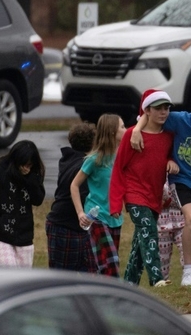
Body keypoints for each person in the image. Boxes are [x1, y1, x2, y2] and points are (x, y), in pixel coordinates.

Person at [130, 104, 191, 286]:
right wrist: (136, 130)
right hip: (181, 179)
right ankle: (188, 271)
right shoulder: (180, 119)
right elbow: (147, 115)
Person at [109, 89, 178, 287]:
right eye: (158, 108)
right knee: (149, 231)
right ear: (147, 110)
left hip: (154, 196)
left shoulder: (169, 136)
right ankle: (157, 279)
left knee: (140, 244)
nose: (163, 112)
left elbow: (170, 155)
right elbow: (118, 169)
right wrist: (115, 203)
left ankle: (129, 284)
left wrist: (171, 161)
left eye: (166, 108)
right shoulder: (132, 135)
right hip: (134, 194)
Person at [70, 114, 126, 277]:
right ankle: (113, 297)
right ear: (111, 132)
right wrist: (80, 213)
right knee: (111, 263)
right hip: (97, 216)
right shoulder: (95, 159)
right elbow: (74, 185)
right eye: (122, 127)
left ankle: (98, 294)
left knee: (102, 265)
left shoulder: (123, 156)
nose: (126, 129)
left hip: (115, 217)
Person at [0, 140, 46, 268]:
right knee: (9, 271)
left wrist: (29, 179)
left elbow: (38, 200)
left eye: (30, 165)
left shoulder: (33, 174)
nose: (26, 168)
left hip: (23, 234)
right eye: (24, 164)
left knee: (23, 279)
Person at [46, 122, 97, 273]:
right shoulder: (84, 165)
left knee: (90, 272)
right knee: (64, 278)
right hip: (66, 226)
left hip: (64, 225)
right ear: (92, 143)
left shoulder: (67, 160)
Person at [158, 179, 185, 281]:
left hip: (181, 219)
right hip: (161, 222)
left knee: (187, 253)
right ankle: (162, 284)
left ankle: (190, 282)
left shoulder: (178, 167)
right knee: (162, 259)